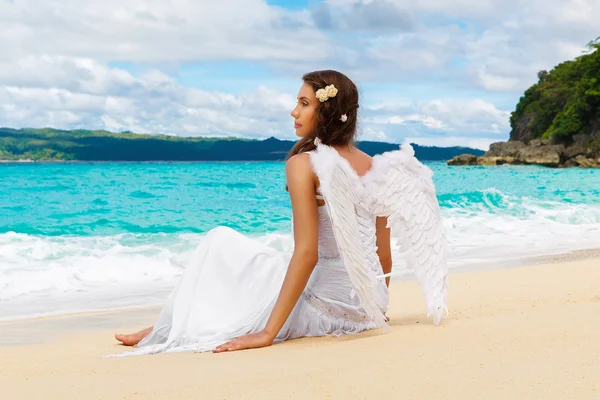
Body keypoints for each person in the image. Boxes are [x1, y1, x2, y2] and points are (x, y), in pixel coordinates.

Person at [111, 70, 448, 356]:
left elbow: (307, 254)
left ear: (327, 112)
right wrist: (376, 309)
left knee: (220, 242)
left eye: (304, 104)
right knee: (262, 269)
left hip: (323, 309)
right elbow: (382, 257)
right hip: (365, 311)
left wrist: (267, 334)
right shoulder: (378, 168)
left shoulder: (304, 164)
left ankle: (166, 327)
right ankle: (164, 325)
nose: (293, 112)